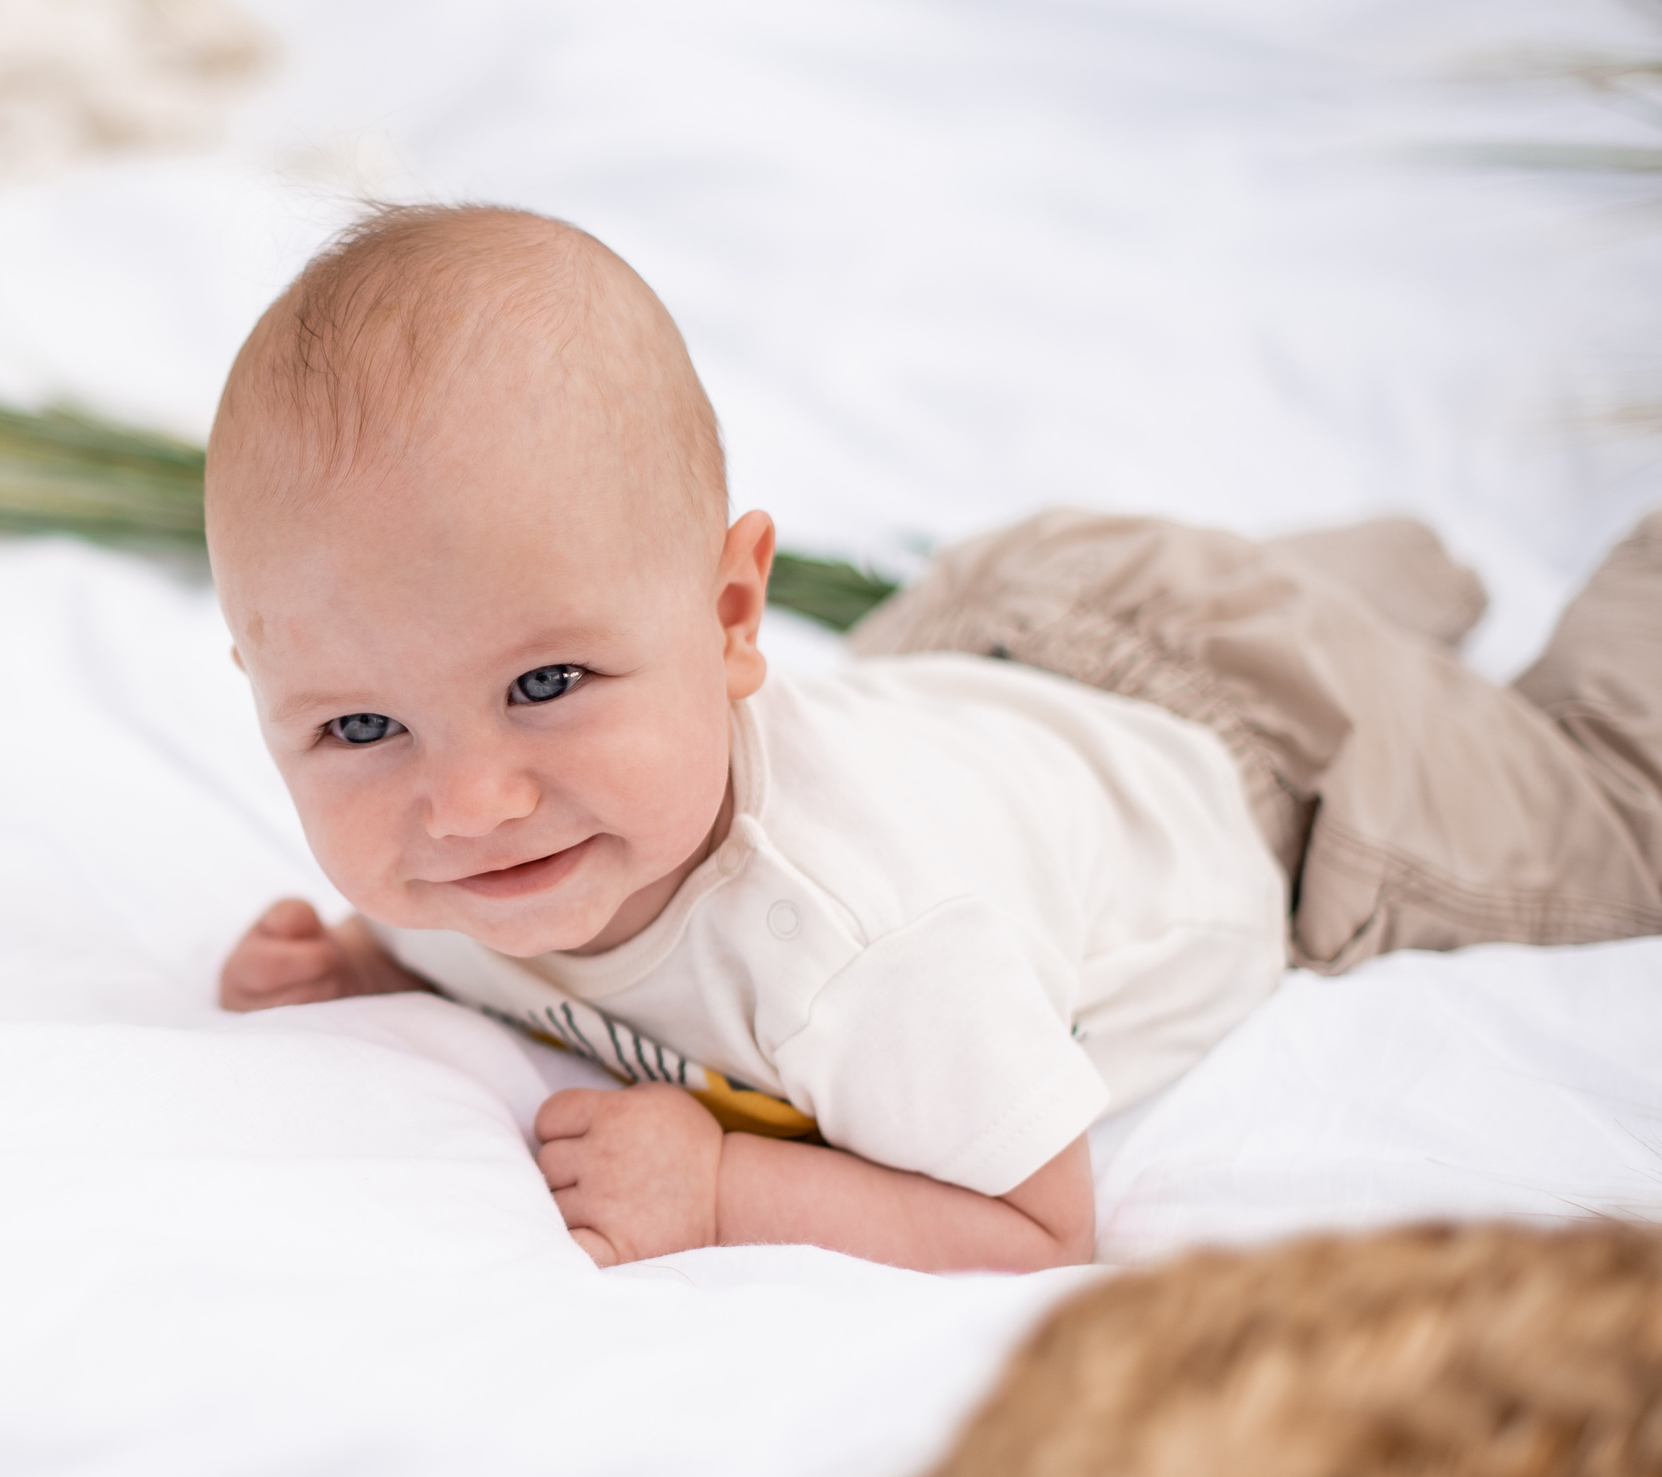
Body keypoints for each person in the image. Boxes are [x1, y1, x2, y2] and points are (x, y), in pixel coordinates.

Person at [205, 203, 1662, 1273]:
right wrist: (360, 965)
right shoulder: (482, 859)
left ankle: (1403, 613)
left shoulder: (866, 944)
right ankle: (1389, 576)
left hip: (1280, 769)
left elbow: (1040, 1226)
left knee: (1614, 800)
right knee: (1264, 608)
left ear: (731, 615)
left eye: (546, 685)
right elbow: (460, 914)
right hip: (1018, 627)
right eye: (358, 725)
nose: (467, 801)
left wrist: (727, 1194)